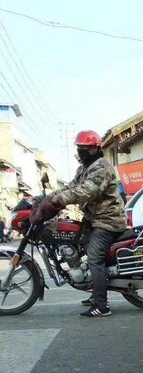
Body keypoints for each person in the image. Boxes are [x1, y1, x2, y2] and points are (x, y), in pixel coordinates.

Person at [31, 130, 127, 318]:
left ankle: (102, 305)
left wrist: (58, 201)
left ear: (95, 149)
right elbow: (71, 186)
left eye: (85, 148)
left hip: (108, 220)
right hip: (93, 219)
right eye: (79, 148)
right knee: (77, 244)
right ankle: (93, 291)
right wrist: (48, 197)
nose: (81, 151)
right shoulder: (84, 168)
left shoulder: (102, 168)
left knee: (94, 257)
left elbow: (86, 191)